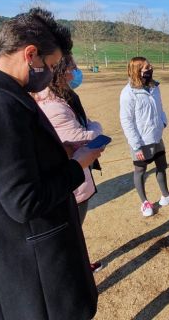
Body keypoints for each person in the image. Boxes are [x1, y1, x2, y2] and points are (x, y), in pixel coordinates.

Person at [0, 9, 103, 319]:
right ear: (30, 54)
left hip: (13, 259)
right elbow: (24, 201)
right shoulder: (1, 108)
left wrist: (56, 152)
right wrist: (78, 165)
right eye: (49, 65)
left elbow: (7, 168)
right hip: (34, 273)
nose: (50, 73)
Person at [33, 55, 104, 272]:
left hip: (74, 176)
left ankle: (79, 263)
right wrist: (98, 128)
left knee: (74, 230)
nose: (76, 72)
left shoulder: (64, 97)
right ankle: (75, 269)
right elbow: (85, 138)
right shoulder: (53, 105)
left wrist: (91, 128)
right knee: (70, 229)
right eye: (73, 68)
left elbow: (84, 127)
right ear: (60, 72)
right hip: (70, 181)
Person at [119, 57, 169, 217]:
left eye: (150, 66)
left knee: (161, 166)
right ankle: (144, 202)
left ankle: (166, 196)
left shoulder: (154, 87)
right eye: (147, 67)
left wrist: (163, 121)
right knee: (140, 170)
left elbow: (160, 107)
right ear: (137, 70)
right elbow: (126, 121)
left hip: (156, 136)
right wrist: (136, 145)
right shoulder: (128, 93)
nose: (151, 68)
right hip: (141, 141)